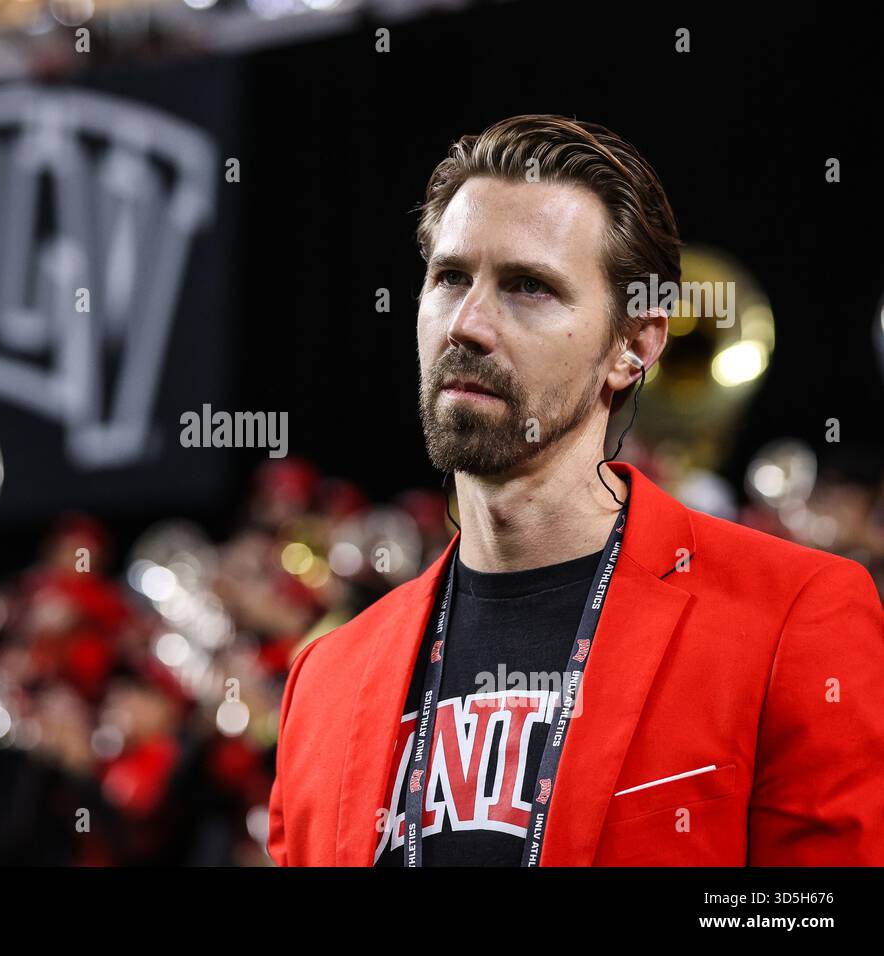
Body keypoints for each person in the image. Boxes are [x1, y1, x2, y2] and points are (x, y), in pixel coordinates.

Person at [266, 115, 884, 867]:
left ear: (634, 346)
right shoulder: (326, 678)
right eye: (451, 277)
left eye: (529, 287)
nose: (469, 324)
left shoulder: (796, 615)